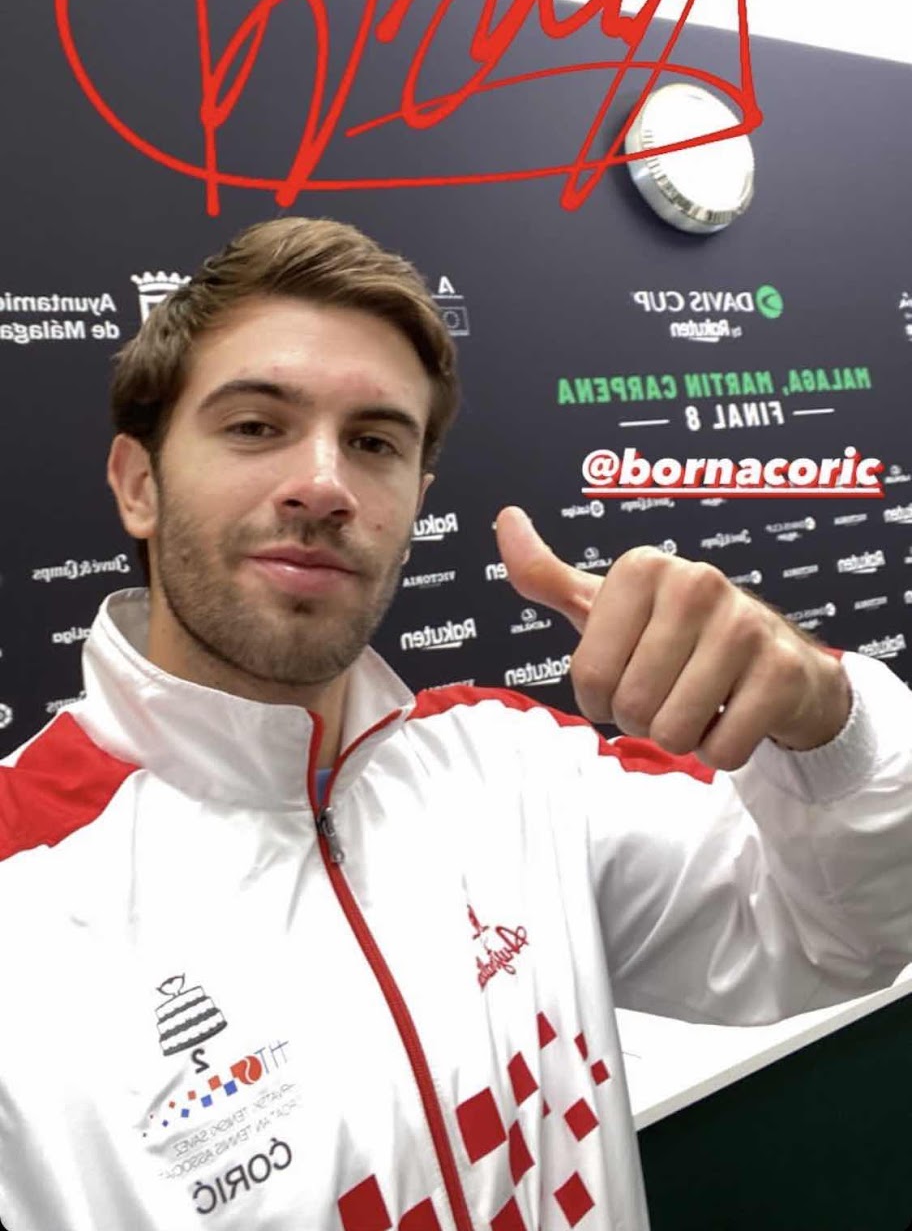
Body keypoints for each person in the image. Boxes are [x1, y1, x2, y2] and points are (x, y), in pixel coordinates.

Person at [0, 215, 910, 1231]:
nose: (324, 485)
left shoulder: (509, 763)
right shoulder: (23, 903)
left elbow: (842, 934)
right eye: (255, 426)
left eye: (374, 442)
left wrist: (828, 725)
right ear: (140, 484)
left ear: (417, 498)